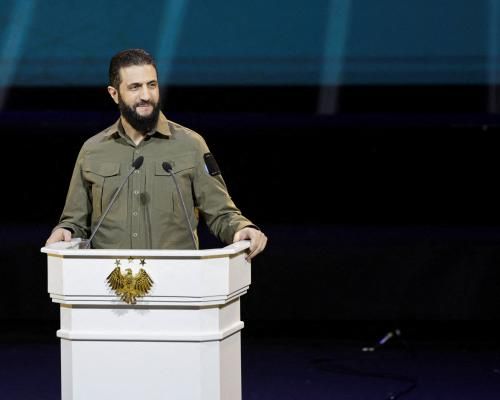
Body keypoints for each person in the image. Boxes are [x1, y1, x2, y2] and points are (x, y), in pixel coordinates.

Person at [46, 48, 267, 260]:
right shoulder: (92, 150)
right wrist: (65, 231)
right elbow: (74, 222)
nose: (146, 95)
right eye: (135, 87)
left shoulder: (191, 145)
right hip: (110, 281)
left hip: (176, 279)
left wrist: (241, 228)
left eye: (151, 85)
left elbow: (221, 213)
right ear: (114, 94)